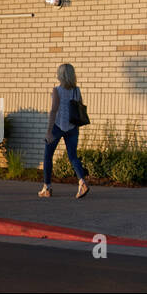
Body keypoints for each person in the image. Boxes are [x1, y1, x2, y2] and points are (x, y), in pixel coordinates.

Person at [39, 63, 90, 199]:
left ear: (61, 75)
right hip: (73, 127)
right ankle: (82, 183)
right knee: (73, 156)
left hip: (57, 126)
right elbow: (79, 108)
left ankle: (47, 188)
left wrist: (49, 131)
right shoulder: (76, 90)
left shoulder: (57, 90)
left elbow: (54, 110)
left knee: (47, 156)